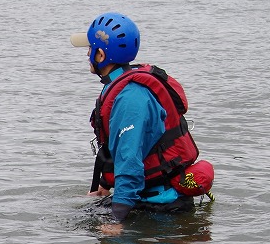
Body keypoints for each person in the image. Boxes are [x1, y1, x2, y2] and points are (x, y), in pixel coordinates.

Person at [71, 12, 214, 232]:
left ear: (100, 55)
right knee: (77, 218)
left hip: (162, 208)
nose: (87, 53)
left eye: (90, 49)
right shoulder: (123, 84)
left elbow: (130, 160)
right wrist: (106, 185)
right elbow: (137, 145)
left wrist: (116, 220)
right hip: (152, 197)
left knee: (74, 228)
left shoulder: (130, 99)